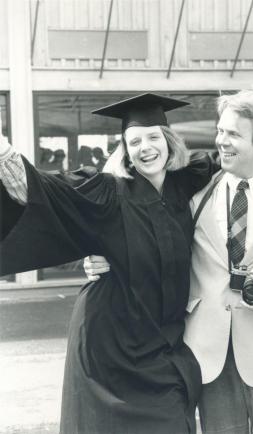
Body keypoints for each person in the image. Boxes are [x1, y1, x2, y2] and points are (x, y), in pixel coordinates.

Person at [0, 93, 220, 434]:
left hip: (163, 346)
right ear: (125, 149)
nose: (144, 147)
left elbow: (246, 160)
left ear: (168, 140)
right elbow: (47, 193)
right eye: (134, 141)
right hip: (109, 347)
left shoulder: (185, 183)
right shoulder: (109, 191)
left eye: (152, 137)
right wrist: (4, 153)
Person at [84, 90, 253, 434]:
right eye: (220, 131)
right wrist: (109, 257)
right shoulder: (195, 191)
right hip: (208, 357)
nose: (221, 142)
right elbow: (153, 242)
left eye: (233, 134)